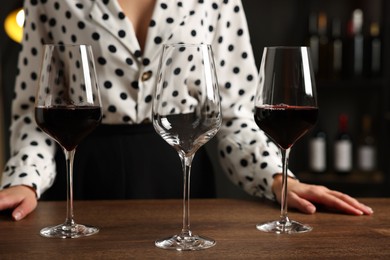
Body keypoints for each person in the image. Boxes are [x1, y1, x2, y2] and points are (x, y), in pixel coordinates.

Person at [0, 0, 372, 221]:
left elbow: (236, 112)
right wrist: (23, 179)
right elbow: (33, 110)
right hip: (81, 176)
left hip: (180, 167)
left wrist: (278, 178)